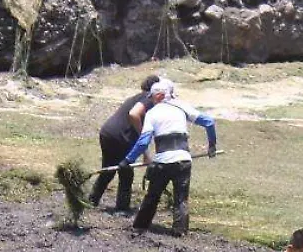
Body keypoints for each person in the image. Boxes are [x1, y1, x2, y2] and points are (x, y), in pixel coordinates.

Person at [122, 79, 218, 236]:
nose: (151, 101)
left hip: (163, 162)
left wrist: (127, 161)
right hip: (183, 161)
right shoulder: (181, 107)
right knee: (181, 199)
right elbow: (209, 122)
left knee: (152, 196)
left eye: (152, 97)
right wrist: (212, 145)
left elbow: (143, 142)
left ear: (159, 96)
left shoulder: (152, 113)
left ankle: (139, 226)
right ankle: (180, 231)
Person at [88, 75, 162, 214]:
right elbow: (133, 115)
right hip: (120, 136)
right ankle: (122, 208)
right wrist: (143, 136)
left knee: (108, 169)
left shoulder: (136, 97)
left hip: (107, 132)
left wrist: (146, 152)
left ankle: (91, 201)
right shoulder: (148, 99)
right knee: (126, 172)